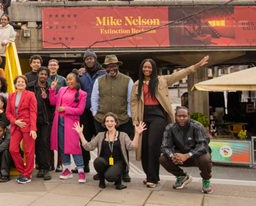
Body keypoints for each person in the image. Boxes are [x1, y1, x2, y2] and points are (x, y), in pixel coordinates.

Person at [131, 56, 209, 188]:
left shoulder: (162, 80)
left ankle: (153, 179)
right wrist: (135, 120)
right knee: (144, 148)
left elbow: (179, 74)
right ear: (141, 69)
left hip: (158, 116)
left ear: (153, 68)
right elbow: (133, 103)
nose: (147, 69)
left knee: (152, 146)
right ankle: (149, 176)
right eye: (145, 67)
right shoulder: (136, 84)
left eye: (149, 67)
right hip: (143, 116)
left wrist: (195, 66)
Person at [91, 55, 134, 182]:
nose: (111, 68)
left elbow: (130, 100)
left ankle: (125, 171)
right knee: (102, 147)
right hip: (102, 119)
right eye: (108, 66)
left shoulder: (128, 80)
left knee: (122, 147)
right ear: (105, 68)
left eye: (113, 66)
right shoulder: (99, 80)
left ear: (118, 66)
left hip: (122, 119)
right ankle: (102, 171)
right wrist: (95, 113)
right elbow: (94, 98)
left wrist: (129, 115)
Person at [74, 113, 146, 190]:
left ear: (116, 123)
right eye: (107, 121)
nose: (109, 123)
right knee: (97, 161)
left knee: (110, 177)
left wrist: (137, 134)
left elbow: (132, 146)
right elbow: (88, 147)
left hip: (119, 163)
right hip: (105, 162)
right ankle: (101, 180)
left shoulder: (123, 135)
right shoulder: (100, 135)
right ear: (104, 123)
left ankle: (117, 178)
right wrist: (80, 134)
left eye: (112, 121)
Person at [160, 106, 213, 194]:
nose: (181, 118)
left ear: (189, 116)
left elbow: (203, 145)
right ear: (175, 116)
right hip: (179, 157)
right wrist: (172, 155)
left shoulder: (197, 126)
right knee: (163, 159)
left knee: (205, 158)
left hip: (196, 156)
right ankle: (181, 176)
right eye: (179, 116)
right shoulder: (170, 128)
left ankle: (206, 180)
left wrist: (188, 155)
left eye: (184, 116)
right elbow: (165, 146)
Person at [50, 72, 87, 183]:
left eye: (71, 79)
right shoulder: (62, 89)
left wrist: (65, 109)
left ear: (77, 80)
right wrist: (52, 90)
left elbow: (80, 111)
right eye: (67, 79)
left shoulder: (82, 93)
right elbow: (53, 102)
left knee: (74, 146)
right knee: (61, 146)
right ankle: (67, 169)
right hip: (59, 121)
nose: (69, 81)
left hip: (71, 123)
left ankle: (81, 170)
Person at [6, 75, 37, 184]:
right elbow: (8, 113)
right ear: (15, 84)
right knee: (13, 149)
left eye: (22, 82)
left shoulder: (30, 95)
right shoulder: (11, 96)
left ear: (25, 84)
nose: (20, 83)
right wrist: (15, 121)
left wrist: (33, 128)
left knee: (29, 151)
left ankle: (27, 174)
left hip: (28, 126)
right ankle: (22, 171)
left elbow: (33, 112)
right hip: (16, 126)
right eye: (18, 82)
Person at [78, 50, 105, 174]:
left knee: (101, 140)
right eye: (87, 59)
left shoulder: (103, 73)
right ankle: (85, 165)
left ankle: (102, 166)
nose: (89, 60)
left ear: (95, 59)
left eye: (91, 58)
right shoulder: (82, 75)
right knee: (84, 139)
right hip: (84, 113)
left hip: (99, 112)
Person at [29, 67, 54, 180]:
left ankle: (46, 168)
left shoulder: (50, 88)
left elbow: (54, 103)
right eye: (41, 74)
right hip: (33, 119)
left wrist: (47, 98)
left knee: (44, 143)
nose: (43, 76)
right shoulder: (30, 86)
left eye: (45, 74)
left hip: (46, 120)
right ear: (38, 74)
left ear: (47, 76)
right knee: (37, 143)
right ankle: (40, 167)